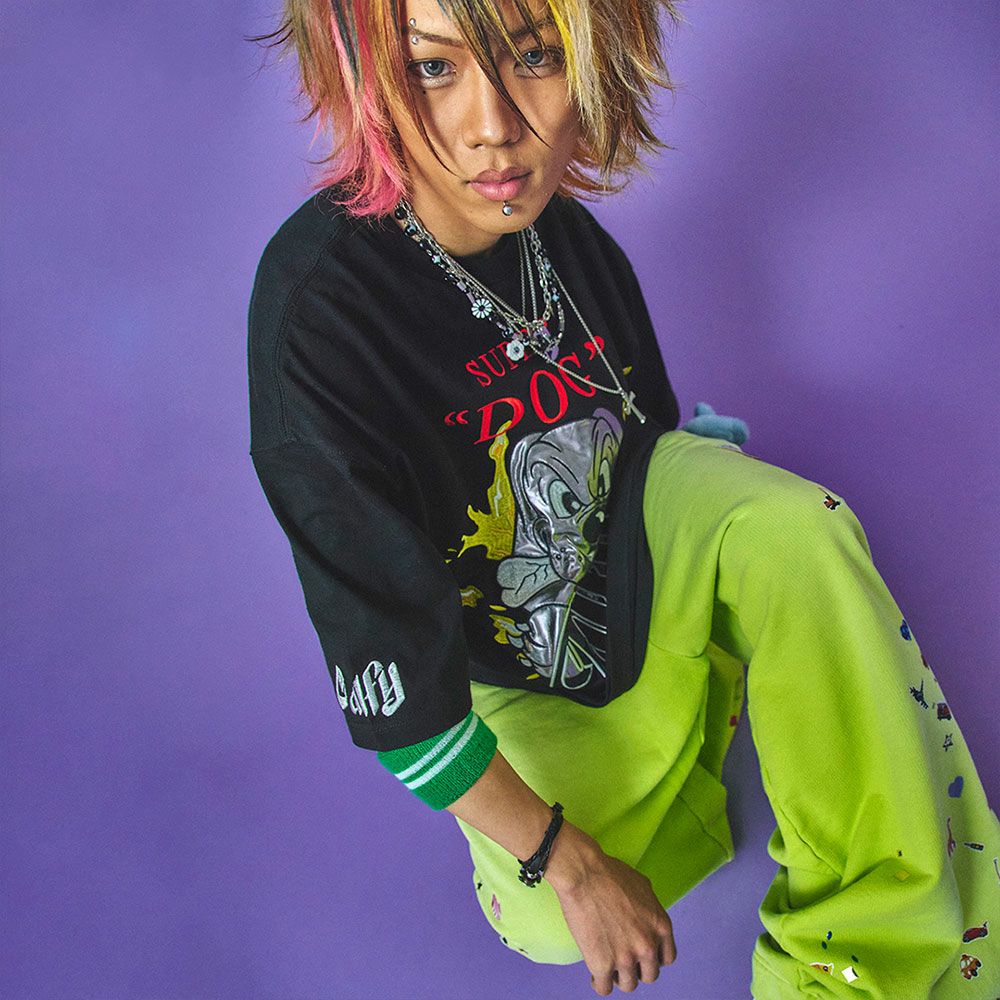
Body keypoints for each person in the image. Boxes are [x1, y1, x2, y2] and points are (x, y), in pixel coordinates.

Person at [245, 1, 1000, 995]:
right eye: (433, 69)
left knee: (790, 527)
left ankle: (857, 964)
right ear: (364, 72)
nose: (493, 127)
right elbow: (388, 670)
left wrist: (731, 521)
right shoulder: (319, 312)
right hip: (512, 666)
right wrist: (568, 862)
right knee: (547, 922)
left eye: (534, 56)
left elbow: (652, 456)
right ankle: (700, 744)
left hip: (642, 568)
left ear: (596, 59)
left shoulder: (570, 240)